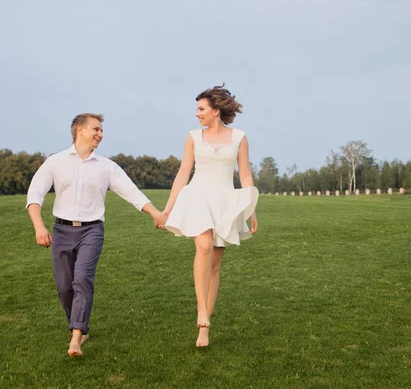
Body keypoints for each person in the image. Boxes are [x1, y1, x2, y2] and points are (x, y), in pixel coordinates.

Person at [26, 113, 167, 357]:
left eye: (101, 130)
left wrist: (155, 213)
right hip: (61, 230)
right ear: (79, 130)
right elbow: (35, 195)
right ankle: (78, 324)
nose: (100, 134)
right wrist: (39, 227)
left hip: (92, 231)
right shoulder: (55, 162)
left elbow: (131, 192)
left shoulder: (107, 166)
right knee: (63, 287)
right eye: (96, 129)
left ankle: (76, 337)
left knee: (82, 279)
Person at [162, 85, 259, 347]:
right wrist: (169, 207)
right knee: (203, 246)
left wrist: (250, 209)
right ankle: (201, 309)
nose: (197, 114)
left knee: (215, 264)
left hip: (226, 200)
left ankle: (205, 328)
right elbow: (183, 173)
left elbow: (245, 174)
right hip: (198, 197)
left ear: (216, 111)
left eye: (201, 109)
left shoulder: (239, 137)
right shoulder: (193, 137)